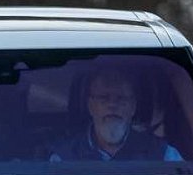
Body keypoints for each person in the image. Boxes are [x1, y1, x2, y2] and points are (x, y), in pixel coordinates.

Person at [48, 69, 183, 162]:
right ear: (91, 106)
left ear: (133, 107)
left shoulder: (163, 155)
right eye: (104, 98)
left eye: (121, 98)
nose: (112, 105)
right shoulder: (63, 156)